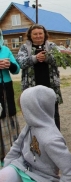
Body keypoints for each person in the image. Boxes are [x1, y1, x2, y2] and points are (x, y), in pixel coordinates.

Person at [0, 85, 71, 181]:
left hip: (41, 178)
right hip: (21, 167)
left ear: (36, 110)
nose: (23, 112)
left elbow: (70, 169)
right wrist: (7, 166)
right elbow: (16, 147)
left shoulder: (51, 139)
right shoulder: (29, 125)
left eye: (25, 109)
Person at [16, 24, 63, 130]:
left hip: (51, 87)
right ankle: (37, 139)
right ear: (30, 35)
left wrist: (47, 58)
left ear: (44, 34)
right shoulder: (24, 47)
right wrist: (34, 58)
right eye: (35, 34)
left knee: (53, 114)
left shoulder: (52, 46)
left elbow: (60, 60)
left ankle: (55, 138)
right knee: (34, 114)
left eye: (40, 33)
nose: (38, 36)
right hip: (31, 88)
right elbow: (20, 63)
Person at [0, 29, 20, 168]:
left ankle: (12, 153)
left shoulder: (5, 49)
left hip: (6, 88)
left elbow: (17, 69)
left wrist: (10, 65)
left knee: (9, 116)